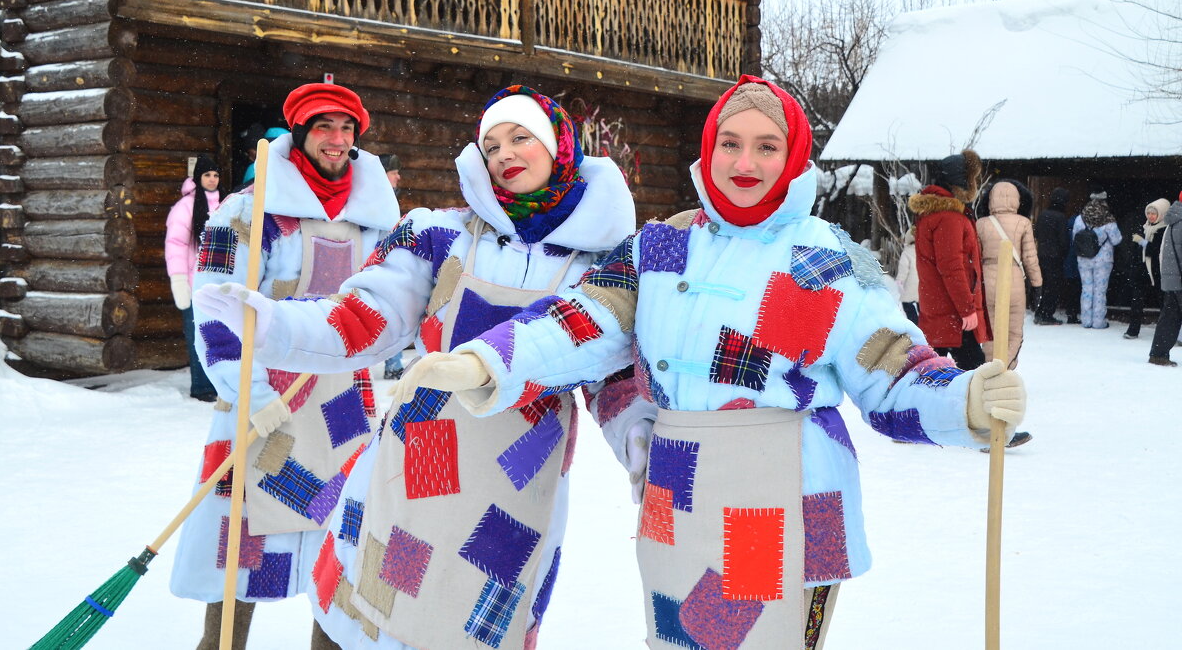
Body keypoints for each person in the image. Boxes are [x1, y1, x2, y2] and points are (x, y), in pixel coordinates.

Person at [391, 76, 1028, 650]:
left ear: (793, 156)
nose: (744, 162)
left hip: (781, 496)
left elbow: (893, 369)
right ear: (708, 150)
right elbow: (583, 320)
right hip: (679, 494)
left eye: (766, 146)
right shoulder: (660, 246)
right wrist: (487, 361)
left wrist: (963, 400)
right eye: (730, 143)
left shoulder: (828, 259)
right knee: (678, 641)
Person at [193, 86, 636, 649]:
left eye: (520, 137)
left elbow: (614, 373)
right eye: (491, 143)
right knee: (366, 607)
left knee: (471, 619)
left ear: (559, 146)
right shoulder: (439, 235)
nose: (504, 153)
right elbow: (361, 319)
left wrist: (643, 447)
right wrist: (275, 326)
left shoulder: (607, 260)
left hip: (518, 474)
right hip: (416, 447)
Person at [170, 83, 399, 650]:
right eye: (325, 127)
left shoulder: (374, 216)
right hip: (262, 397)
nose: (337, 140)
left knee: (339, 537)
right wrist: (246, 391)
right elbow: (215, 303)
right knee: (242, 538)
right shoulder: (250, 210)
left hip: (344, 404)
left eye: (348, 129)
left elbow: (396, 300)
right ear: (300, 134)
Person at [909, 150, 990, 371]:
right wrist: (967, 309)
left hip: (940, 308)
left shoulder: (937, 214)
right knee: (975, 374)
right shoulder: (949, 217)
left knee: (934, 374)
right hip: (953, 313)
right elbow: (952, 267)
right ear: (961, 182)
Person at [165, 154, 226, 401]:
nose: (212, 180)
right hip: (194, 283)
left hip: (220, 283)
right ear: (198, 178)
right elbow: (176, 245)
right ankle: (202, 387)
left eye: (215, 175)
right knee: (198, 336)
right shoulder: (186, 206)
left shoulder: (227, 203)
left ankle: (221, 384)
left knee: (220, 335)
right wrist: (179, 281)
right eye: (207, 175)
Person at [976, 180, 1042, 369]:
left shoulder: (981, 224)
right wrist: (1037, 284)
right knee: (1013, 332)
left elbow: (975, 257)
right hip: (1014, 279)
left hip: (988, 281)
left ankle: (990, 369)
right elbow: (1030, 258)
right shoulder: (1023, 223)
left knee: (991, 331)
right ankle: (1006, 369)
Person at [1072, 190, 1122, 329]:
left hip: (1083, 258)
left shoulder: (1080, 218)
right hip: (1103, 259)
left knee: (1086, 289)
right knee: (1100, 290)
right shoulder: (1108, 219)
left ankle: (1086, 320)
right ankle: (1098, 322)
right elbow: (1117, 240)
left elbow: (1075, 237)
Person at [378, 153, 406, 380]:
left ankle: (394, 364)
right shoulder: (373, 198)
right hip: (374, 263)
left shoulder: (389, 197)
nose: (398, 176)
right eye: (393, 172)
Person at [1126, 198, 1170, 339]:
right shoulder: (1143, 227)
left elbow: (1158, 250)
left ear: (1161, 214)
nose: (1150, 216)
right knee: (1137, 301)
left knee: (1163, 302)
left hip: (1158, 271)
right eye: (1149, 213)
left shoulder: (1165, 229)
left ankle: (1164, 332)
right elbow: (1135, 250)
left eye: (1154, 213)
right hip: (1142, 271)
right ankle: (1133, 330)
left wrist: (1144, 243)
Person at [1148, 192, 1182, 366]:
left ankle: (1158, 354)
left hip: (1172, 279)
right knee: (1170, 317)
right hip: (1179, 279)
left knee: (1170, 317)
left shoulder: (1173, 219)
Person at [1033, 187, 1070, 325]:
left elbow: (1036, 233)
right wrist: (1064, 254)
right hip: (1055, 257)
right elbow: (1064, 241)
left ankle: (1039, 312)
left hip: (1041, 254)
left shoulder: (1043, 214)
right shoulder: (1060, 217)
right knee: (1053, 286)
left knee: (1043, 285)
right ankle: (1047, 314)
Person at [894, 227, 919, 323]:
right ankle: (923, 325)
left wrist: (900, 281)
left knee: (907, 304)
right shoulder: (925, 250)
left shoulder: (907, 252)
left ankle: (914, 324)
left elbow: (904, 268)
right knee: (923, 306)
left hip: (911, 284)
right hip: (923, 284)